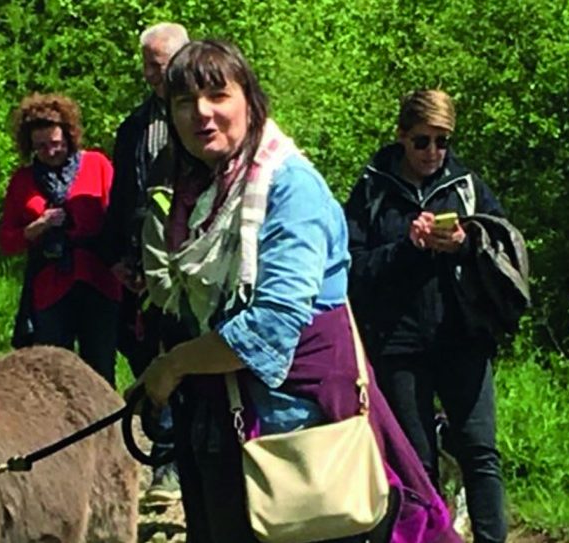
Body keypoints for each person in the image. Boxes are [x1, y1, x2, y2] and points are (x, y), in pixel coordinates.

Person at [133, 40, 457, 543]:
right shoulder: (206, 194)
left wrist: (173, 366)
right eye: (183, 102)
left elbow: (271, 327)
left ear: (250, 101)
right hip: (228, 425)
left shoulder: (289, 188)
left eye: (219, 94)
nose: (202, 113)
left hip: (300, 437)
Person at [343, 89, 509, 543]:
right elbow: (350, 268)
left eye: (442, 141)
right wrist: (407, 249)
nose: (433, 152)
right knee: (416, 463)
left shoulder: (467, 186)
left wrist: (465, 243)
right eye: (422, 141)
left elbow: (503, 251)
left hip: (464, 339)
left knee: (480, 452)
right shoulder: (373, 189)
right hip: (398, 345)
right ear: (401, 137)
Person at [99, 21, 189, 506]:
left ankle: (180, 462)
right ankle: (164, 460)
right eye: (147, 67)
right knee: (144, 357)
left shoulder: (203, 117)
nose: (150, 75)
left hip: (190, 265)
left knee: (185, 355)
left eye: (156, 65)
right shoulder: (135, 126)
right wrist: (118, 257)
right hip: (141, 264)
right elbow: (122, 199)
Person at [0, 93, 120, 383]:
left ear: (69, 136)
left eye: (56, 144)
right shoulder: (23, 181)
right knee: (51, 373)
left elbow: (118, 219)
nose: (50, 152)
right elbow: (7, 241)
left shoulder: (97, 165)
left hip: (98, 281)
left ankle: (107, 427)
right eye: (41, 147)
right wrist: (37, 227)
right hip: (49, 285)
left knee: (101, 370)